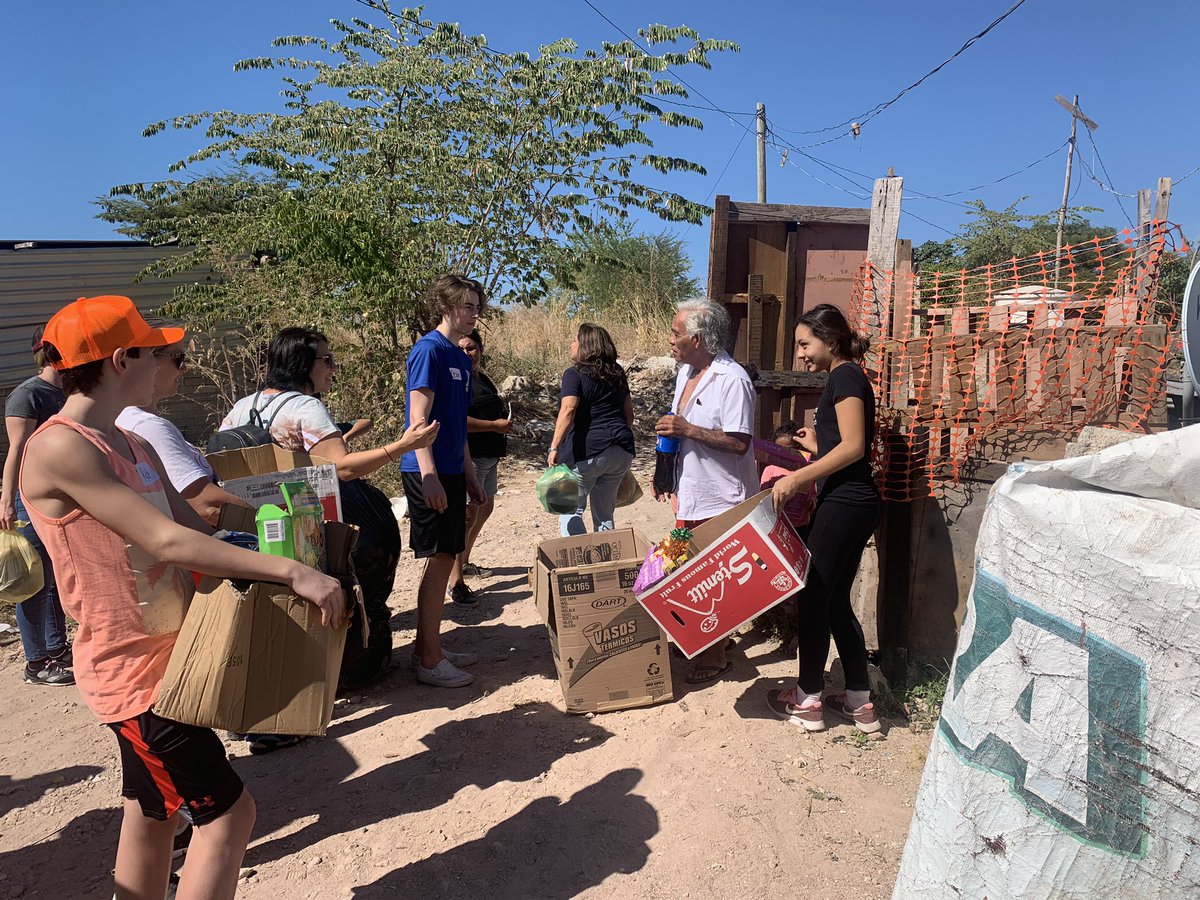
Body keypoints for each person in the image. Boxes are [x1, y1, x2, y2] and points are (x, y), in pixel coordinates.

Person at [20, 295, 346, 900]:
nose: (174, 365)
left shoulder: (131, 444)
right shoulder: (61, 447)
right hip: (132, 674)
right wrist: (293, 574)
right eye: (161, 354)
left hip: (170, 656)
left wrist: (286, 508)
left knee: (152, 809)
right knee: (228, 816)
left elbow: (196, 526)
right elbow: (165, 540)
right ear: (122, 359)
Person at [219, 327, 439, 691]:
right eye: (327, 359)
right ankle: (350, 669)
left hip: (262, 525)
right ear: (303, 363)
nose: (332, 368)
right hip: (308, 524)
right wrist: (401, 446)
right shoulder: (306, 406)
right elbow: (343, 467)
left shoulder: (244, 406)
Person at [767, 303, 883, 734]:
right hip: (854, 501)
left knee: (812, 596)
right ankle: (859, 702)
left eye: (804, 343)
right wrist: (818, 448)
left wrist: (799, 478)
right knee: (834, 601)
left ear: (830, 340)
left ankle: (807, 700)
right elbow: (844, 448)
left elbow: (854, 447)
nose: (800, 354)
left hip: (846, 503)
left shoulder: (846, 375)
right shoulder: (843, 377)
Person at [654, 298, 757, 684]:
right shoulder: (687, 373)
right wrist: (665, 469)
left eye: (675, 333)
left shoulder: (733, 380)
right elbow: (678, 425)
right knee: (684, 565)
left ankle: (714, 654)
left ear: (697, 338)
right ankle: (711, 640)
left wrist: (687, 431)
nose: (670, 339)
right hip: (691, 490)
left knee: (709, 575)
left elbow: (739, 443)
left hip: (721, 497)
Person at [400, 275, 488, 687]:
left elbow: (455, 425)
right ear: (447, 307)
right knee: (438, 561)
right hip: (427, 473)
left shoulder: (459, 356)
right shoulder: (428, 351)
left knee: (449, 556)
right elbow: (419, 423)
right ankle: (430, 662)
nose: (473, 314)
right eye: (467, 306)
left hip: (453, 471)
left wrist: (469, 476)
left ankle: (427, 645)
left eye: (476, 307)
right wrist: (431, 476)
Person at [116, 318, 251, 526]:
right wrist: (275, 520)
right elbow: (207, 506)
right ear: (149, 360)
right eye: (178, 358)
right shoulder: (148, 427)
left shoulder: (134, 420)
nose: (184, 368)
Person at [1, 325, 73, 686]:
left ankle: (57, 648)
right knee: (34, 583)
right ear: (50, 355)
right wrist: (7, 501)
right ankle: (36, 662)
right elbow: (17, 450)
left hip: (64, 500)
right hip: (30, 502)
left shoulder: (69, 392)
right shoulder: (27, 396)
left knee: (57, 579)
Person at [547, 323, 636, 536]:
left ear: (586, 345)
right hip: (620, 451)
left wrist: (554, 447)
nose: (571, 344)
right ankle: (606, 563)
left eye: (575, 340)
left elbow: (568, 410)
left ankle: (579, 565)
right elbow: (629, 415)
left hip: (588, 452)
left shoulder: (574, 374)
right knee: (605, 514)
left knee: (570, 510)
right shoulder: (617, 373)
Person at [448, 329, 511, 594]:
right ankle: (454, 581)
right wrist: (494, 425)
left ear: (481, 350)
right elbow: (457, 421)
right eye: (461, 348)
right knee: (465, 516)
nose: (467, 353)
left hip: (490, 459)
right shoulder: (456, 382)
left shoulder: (482, 378)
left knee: (483, 511)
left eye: (471, 348)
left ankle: (465, 562)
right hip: (469, 460)